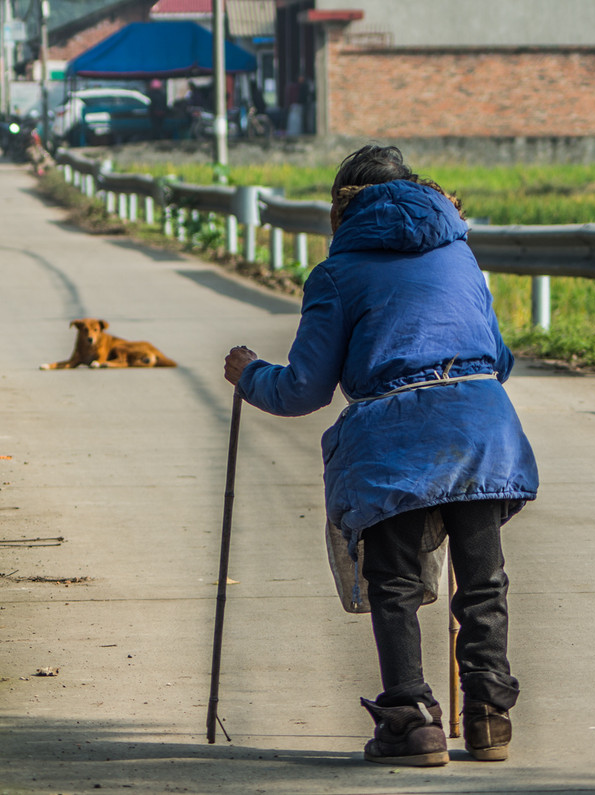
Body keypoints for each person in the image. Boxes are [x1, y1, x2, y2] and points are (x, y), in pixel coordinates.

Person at [223, 145, 538, 767]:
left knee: (393, 583)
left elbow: (303, 389)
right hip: (482, 429)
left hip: (395, 437)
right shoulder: (461, 253)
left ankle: (412, 722)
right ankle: (488, 717)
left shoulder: (336, 274)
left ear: (340, 211)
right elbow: (498, 360)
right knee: (482, 581)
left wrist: (249, 373)